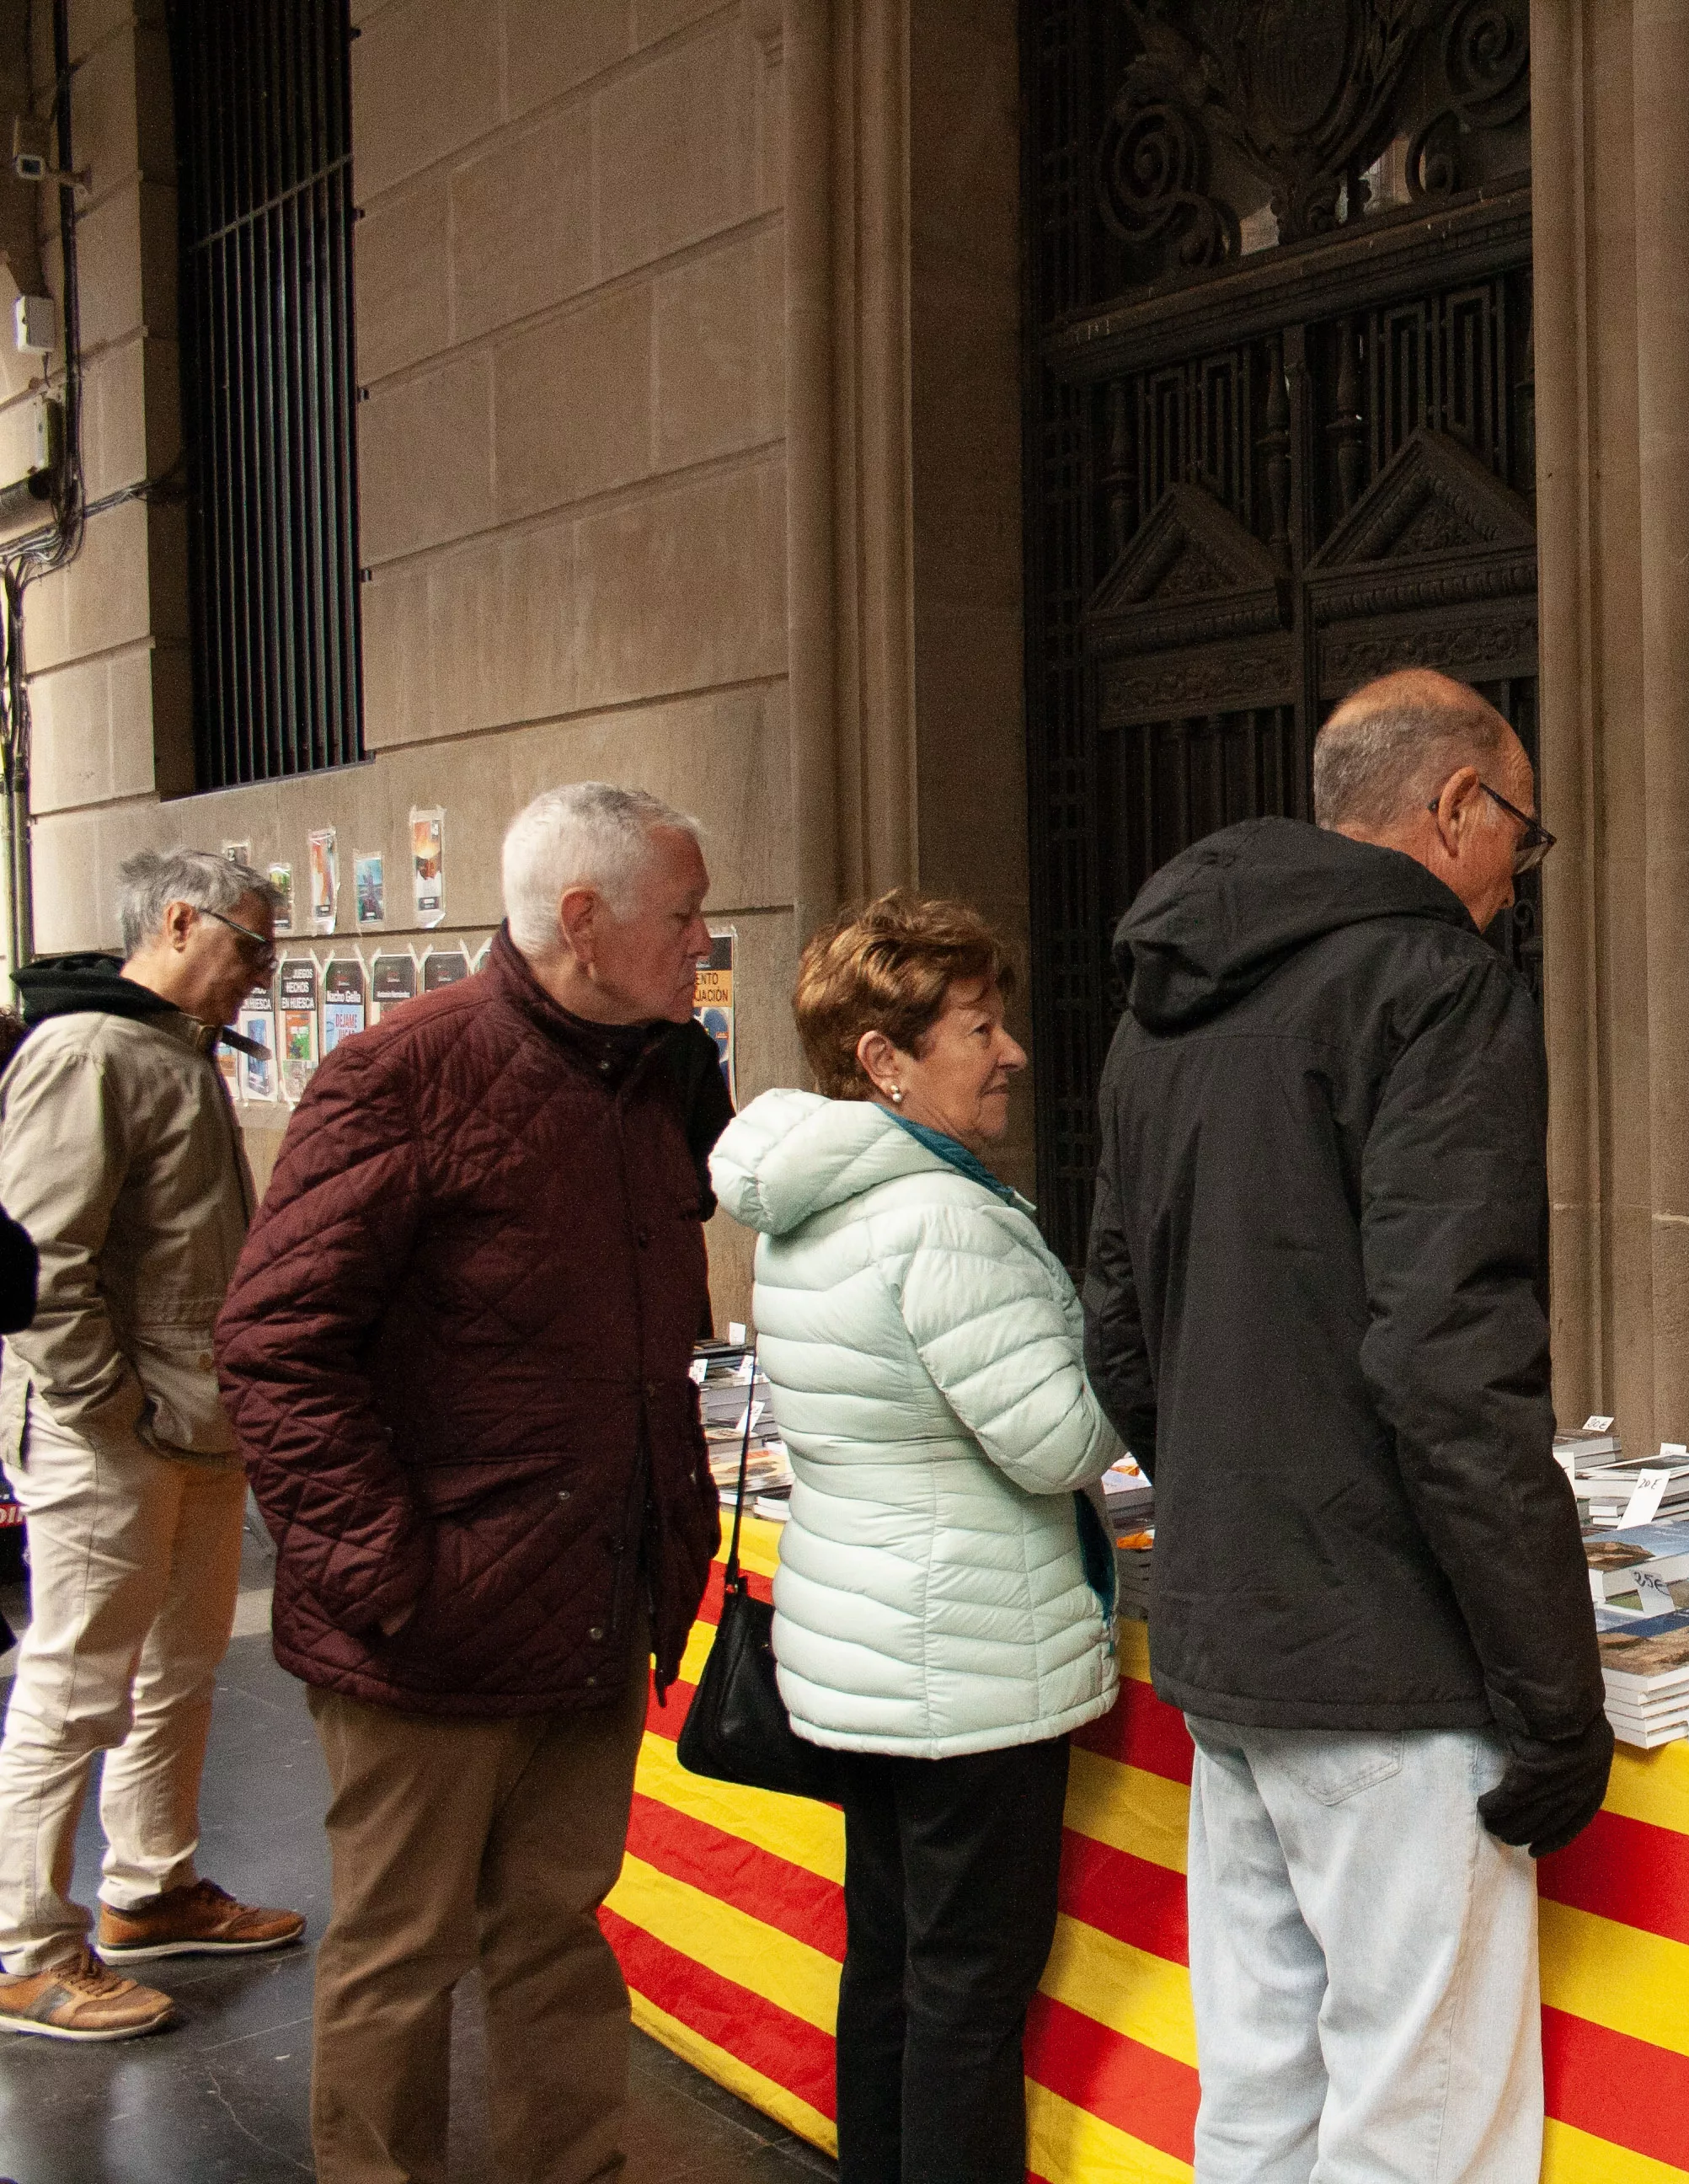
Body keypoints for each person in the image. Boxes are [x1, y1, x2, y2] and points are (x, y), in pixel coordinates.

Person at [1085, 666, 1605, 2184]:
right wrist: (1552, 1697)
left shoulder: (1163, 1004)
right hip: (1390, 1663)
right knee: (1419, 2116)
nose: (1516, 871)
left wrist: (1248, 1491)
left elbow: (1117, 1325)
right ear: (1455, 807)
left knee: (1258, 2088)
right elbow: (1451, 1365)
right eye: (1522, 827)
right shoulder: (1433, 986)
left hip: (1233, 1634)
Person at [218, 783, 729, 2183]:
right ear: (582, 920)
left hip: (588, 1598)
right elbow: (272, 1340)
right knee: (400, 1952)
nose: (703, 939)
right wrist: (387, 1563)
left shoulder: (652, 1079)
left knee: (555, 1929)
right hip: (426, 1628)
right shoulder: (404, 1071)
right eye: (682, 913)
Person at [708, 891, 1120, 2184]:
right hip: (968, 1671)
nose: (1010, 1053)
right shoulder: (937, 1214)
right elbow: (1056, 1443)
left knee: (889, 1960)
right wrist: (1130, 1341)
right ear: (884, 1058)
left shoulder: (818, 1196)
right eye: (979, 1028)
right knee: (965, 1997)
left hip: (863, 1649)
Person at [0, 850, 302, 2042]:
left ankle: (151, 1887)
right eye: (253, 948)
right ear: (179, 921)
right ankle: (26, 1946)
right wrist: (108, 1406)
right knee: (77, 1687)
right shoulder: (87, 1054)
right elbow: (39, 1263)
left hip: (186, 1415)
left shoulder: (163, 1049)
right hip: (115, 1430)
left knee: (177, 1670)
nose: (261, 979)